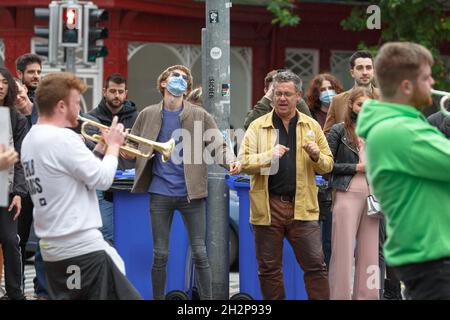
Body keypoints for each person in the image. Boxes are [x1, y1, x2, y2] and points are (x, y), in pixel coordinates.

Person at [20, 72, 141, 300]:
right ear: (62, 106)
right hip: (80, 249)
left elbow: (77, 176)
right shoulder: (62, 139)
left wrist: (100, 149)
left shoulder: (32, 138)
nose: (80, 110)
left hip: (56, 249)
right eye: (77, 103)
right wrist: (114, 146)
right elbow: (104, 179)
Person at [129, 65, 240, 300]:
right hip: (160, 193)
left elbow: (218, 145)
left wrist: (230, 160)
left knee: (200, 253)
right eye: (174, 76)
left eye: (184, 78)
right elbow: (132, 145)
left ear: (187, 88)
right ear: (163, 83)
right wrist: (122, 150)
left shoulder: (199, 115)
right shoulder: (147, 114)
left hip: (192, 194)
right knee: (160, 254)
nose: (179, 80)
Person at [356, 42, 450, 300]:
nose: (432, 82)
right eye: (426, 77)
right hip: (433, 260)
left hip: (431, 256)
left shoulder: (406, 125)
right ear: (407, 86)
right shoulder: (399, 130)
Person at [238, 70, 333, 300]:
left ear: (298, 95)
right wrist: (267, 156)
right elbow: (243, 162)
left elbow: (328, 165)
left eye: (287, 94)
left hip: (303, 206)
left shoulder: (311, 125)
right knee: (269, 270)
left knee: (316, 267)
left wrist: (315, 155)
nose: (281, 98)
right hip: (268, 206)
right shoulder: (258, 126)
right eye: (277, 93)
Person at [326, 87, 380, 300]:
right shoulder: (339, 130)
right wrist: (356, 168)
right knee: (343, 253)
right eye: (360, 104)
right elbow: (326, 165)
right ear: (351, 105)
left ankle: (369, 297)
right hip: (346, 191)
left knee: (370, 255)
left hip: (374, 194)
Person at [85, 73, 138, 244]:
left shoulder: (137, 118)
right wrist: (113, 144)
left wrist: (133, 150)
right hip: (103, 184)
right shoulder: (91, 118)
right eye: (113, 91)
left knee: (130, 233)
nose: (117, 95)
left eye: (120, 91)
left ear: (126, 93)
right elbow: (91, 150)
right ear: (104, 91)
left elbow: (145, 149)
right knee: (106, 234)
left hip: (131, 185)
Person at [304, 73, 344, 268]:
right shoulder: (310, 117)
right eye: (323, 90)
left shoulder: (343, 115)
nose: (327, 93)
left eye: (331, 88)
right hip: (314, 179)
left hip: (335, 178)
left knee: (330, 239)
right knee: (310, 238)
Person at [0, 67, 28, 300]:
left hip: (6, 191)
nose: (0, 86)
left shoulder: (16, 118)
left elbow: (21, 159)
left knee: (10, 241)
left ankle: (15, 293)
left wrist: (19, 192)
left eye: (4, 82)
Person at [323, 51, 379, 134]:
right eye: (360, 68)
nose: (365, 72)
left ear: (373, 72)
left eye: (368, 67)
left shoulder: (386, 98)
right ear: (352, 73)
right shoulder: (337, 101)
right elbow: (327, 134)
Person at [243, 69, 311, 130]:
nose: (282, 97)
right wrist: (267, 97)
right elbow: (248, 125)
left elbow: (310, 125)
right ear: (266, 91)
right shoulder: (261, 110)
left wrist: (295, 95)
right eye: (276, 91)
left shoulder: (294, 109)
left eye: (287, 93)